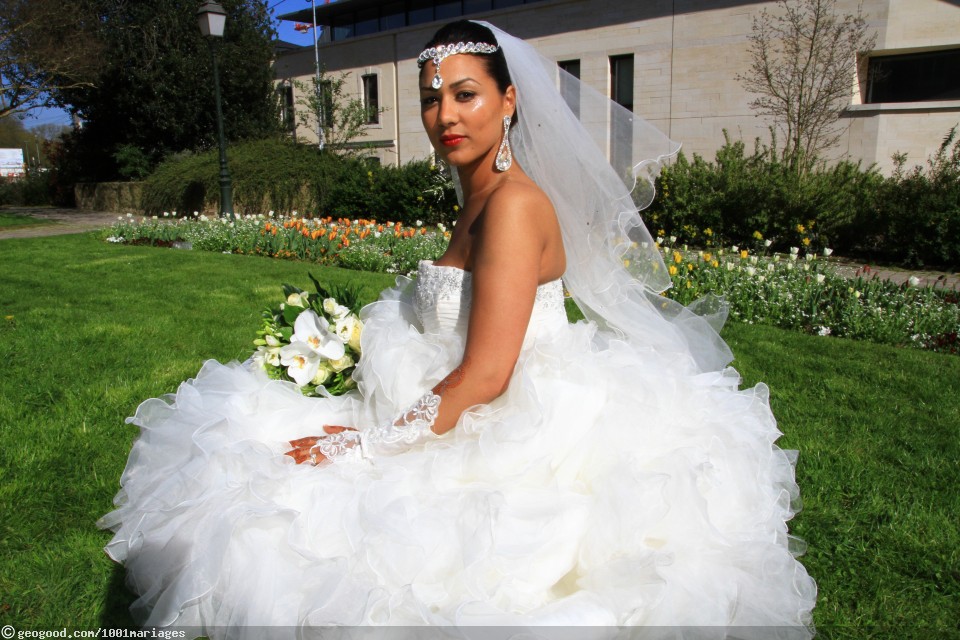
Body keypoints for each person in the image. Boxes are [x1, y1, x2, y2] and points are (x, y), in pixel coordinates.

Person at [99, 20, 817, 639]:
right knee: (257, 458)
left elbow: (488, 375)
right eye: (430, 97)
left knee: (302, 524)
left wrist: (364, 443)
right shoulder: (481, 195)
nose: (445, 114)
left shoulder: (512, 207)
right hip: (455, 393)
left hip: (512, 421)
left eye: (465, 94)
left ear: (509, 101)